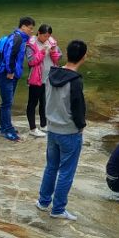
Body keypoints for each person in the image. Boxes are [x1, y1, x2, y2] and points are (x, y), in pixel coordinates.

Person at [36, 39, 87, 221]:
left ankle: (43, 202)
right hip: (69, 132)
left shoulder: (52, 74)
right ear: (84, 57)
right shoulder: (75, 81)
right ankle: (58, 209)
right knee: (66, 171)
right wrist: (81, 127)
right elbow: (78, 108)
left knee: (51, 167)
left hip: (52, 129)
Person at [0, 16, 34, 141]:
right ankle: (7, 130)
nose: (31, 31)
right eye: (30, 28)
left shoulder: (19, 38)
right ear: (23, 27)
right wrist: (10, 71)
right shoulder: (17, 38)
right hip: (7, 74)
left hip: (12, 74)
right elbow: (10, 55)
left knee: (6, 102)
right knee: (7, 103)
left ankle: (4, 127)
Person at [25, 23, 61, 137]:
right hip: (36, 78)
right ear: (39, 33)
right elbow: (31, 61)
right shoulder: (31, 43)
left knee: (45, 102)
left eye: (48, 36)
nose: (46, 38)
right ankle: (32, 128)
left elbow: (57, 59)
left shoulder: (51, 42)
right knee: (32, 103)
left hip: (48, 77)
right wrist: (42, 52)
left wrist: (53, 51)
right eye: (44, 36)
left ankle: (44, 125)